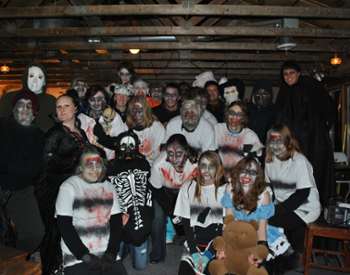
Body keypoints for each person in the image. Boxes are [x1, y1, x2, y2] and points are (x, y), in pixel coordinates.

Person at [55, 145, 127, 275]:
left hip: (106, 252)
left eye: (98, 165)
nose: (95, 170)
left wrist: (111, 253)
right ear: (80, 167)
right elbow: (64, 226)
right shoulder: (68, 187)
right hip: (77, 256)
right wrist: (85, 256)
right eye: (89, 165)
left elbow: (116, 223)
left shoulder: (109, 187)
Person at [38, 93, 89, 275]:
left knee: (69, 228)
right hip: (52, 189)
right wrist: (75, 166)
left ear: (75, 108)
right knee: (54, 231)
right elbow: (46, 165)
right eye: (58, 107)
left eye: (66, 106)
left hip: (73, 188)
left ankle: (67, 264)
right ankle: (50, 269)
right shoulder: (54, 134)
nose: (62, 110)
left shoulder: (80, 132)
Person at [275, 60, 335, 204]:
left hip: (314, 142)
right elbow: (280, 120)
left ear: (299, 73)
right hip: (293, 144)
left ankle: (317, 206)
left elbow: (328, 110)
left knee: (315, 173)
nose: (288, 77)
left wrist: (320, 130)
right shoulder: (283, 92)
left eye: (292, 73)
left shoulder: (311, 86)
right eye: (285, 74)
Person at [264, 124, 321, 261]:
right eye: (272, 142)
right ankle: (274, 252)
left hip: (304, 207)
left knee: (267, 220)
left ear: (287, 141)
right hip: (282, 204)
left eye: (279, 141)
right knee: (256, 215)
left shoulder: (299, 161)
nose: (276, 145)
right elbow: (268, 186)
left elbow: (301, 195)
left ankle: (287, 254)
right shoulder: (269, 160)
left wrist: (275, 210)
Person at [221, 157, 290, 267]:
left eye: (252, 172)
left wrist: (260, 250)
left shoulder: (264, 196)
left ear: (257, 176)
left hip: (257, 234)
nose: (246, 176)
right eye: (243, 171)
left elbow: (262, 229)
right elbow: (229, 221)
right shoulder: (230, 189)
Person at [0, 92, 45, 253]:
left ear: (35, 113)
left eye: (29, 106)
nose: (24, 109)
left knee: (35, 233)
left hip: (22, 190)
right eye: (21, 104)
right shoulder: (2, 125)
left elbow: (37, 168)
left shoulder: (39, 135)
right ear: (13, 109)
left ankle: (16, 261)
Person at [174, 151, 227, 275]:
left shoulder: (224, 190)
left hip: (217, 243)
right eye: (203, 165)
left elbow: (225, 227)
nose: (206, 170)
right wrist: (194, 252)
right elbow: (186, 223)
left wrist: (209, 254)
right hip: (194, 242)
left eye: (211, 166)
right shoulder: (187, 187)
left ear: (218, 168)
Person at [107, 130, 153, 270]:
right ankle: (124, 245)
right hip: (120, 222)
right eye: (123, 145)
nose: (127, 149)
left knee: (140, 266)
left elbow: (148, 190)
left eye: (131, 145)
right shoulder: (111, 166)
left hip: (141, 223)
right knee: (114, 261)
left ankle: (132, 245)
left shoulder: (143, 163)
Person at [150, 134, 198, 263]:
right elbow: (156, 191)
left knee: (194, 214)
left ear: (186, 152)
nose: (174, 158)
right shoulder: (159, 165)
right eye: (170, 153)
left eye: (179, 153)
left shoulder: (195, 163)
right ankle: (157, 254)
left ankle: (195, 248)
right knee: (157, 217)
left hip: (187, 192)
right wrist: (171, 212)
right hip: (164, 192)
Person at [214, 101, 263, 182]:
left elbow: (256, 162)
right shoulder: (218, 129)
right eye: (231, 113)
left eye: (239, 114)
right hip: (219, 175)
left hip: (239, 178)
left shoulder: (250, 136)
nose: (234, 117)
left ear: (244, 118)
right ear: (227, 114)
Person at [0, 62, 56, 131]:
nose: (35, 81)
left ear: (44, 81)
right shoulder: (9, 98)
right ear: (25, 78)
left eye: (40, 77)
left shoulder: (51, 100)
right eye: (31, 76)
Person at [126, 96, 165, 165]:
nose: (137, 113)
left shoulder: (157, 127)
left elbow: (161, 154)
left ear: (146, 110)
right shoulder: (125, 127)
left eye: (140, 110)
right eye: (134, 110)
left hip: (153, 165)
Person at [248, 80, 276, 144]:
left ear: (270, 95)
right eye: (258, 93)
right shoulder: (248, 110)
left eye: (265, 93)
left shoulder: (275, 112)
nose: (261, 96)